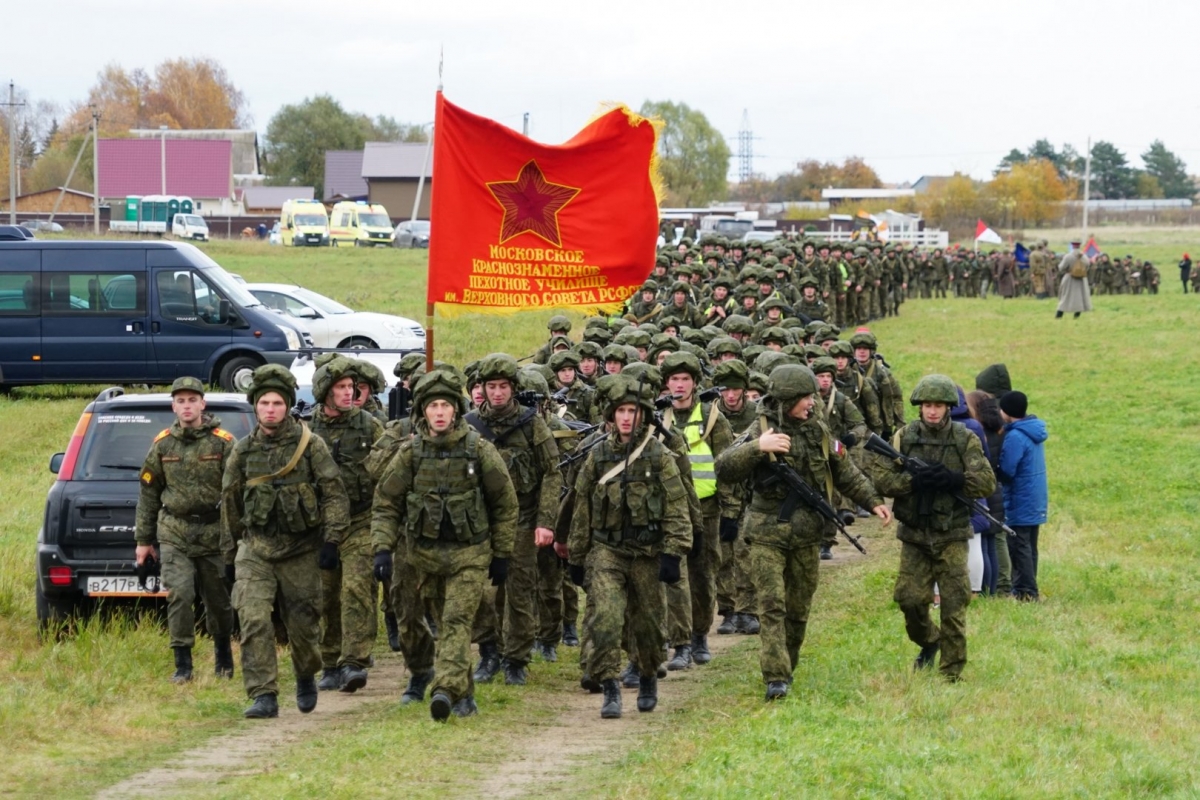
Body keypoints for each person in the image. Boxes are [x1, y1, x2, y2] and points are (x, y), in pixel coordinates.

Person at [715, 365, 891, 700]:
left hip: (808, 534)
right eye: (805, 398)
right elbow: (724, 467)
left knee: (798, 609)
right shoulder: (760, 428)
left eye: (813, 396)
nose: (811, 403)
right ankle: (775, 677)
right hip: (767, 534)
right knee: (772, 605)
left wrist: (872, 500)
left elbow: (843, 469)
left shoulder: (818, 430)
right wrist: (757, 447)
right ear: (787, 400)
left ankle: (788, 665)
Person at [372, 370, 518, 720]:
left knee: (455, 622)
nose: (439, 413)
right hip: (423, 555)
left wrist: (502, 553)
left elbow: (505, 504)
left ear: (456, 410)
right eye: (433, 406)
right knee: (427, 618)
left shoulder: (479, 451)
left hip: (470, 553)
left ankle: (444, 690)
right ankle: (460, 691)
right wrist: (381, 548)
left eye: (445, 406)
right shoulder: (410, 454)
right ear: (423, 412)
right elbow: (386, 503)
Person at [222, 365, 350, 719]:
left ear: (288, 406)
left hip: (302, 550)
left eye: (278, 402)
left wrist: (332, 541)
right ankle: (264, 694)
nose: (270, 409)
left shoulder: (311, 446)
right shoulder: (243, 452)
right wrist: (229, 555)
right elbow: (230, 503)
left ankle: (306, 673)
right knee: (253, 619)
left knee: (304, 625)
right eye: (264, 402)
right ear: (255, 407)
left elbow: (334, 495)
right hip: (256, 549)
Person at [567, 374, 692, 719]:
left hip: (648, 554)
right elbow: (582, 509)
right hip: (608, 552)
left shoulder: (658, 456)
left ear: (643, 415)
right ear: (611, 416)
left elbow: (677, 506)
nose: (626, 418)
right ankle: (609, 687)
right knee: (604, 620)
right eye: (620, 411)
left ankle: (649, 674)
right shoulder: (599, 456)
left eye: (633, 411)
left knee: (649, 625)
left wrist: (673, 552)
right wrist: (577, 556)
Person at [868, 375, 996, 682]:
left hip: (951, 533)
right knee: (909, 600)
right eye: (927, 405)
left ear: (949, 407)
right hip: (914, 535)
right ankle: (929, 641)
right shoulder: (904, 437)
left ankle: (951, 672)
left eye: (939, 405)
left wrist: (954, 480)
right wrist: (913, 482)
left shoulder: (965, 438)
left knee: (954, 603)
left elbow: (987, 482)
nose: (933, 411)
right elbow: (882, 479)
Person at [467, 354, 562, 686]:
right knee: (480, 591)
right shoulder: (468, 425)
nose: (496, 393)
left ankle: (516, 658)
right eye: (490, 386)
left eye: (502, 386)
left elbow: (552, 474)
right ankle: (488, 651)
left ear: (513, 388)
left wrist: (546, 521)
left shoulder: (532, 424)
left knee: (519, 590)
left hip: (523, 520)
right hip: (480, 523)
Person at [135, 376, 236, 683]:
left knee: (218, 600)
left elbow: (236, 494)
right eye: (181, 401)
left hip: (212, 532)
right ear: (174, 406)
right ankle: (183, 665)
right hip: (174, 530)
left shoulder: (223, 442)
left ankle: (223, 658)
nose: (187, 406)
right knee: (179, 593)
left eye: (192, 400)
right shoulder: (163, 444)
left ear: (203, 404)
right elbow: (149, 494)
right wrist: (144, 541)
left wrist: (236, 537)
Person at [309, 357, 384, 693]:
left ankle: (353, 661)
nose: (347, 393)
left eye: (350, 387)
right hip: (322, 525)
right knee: (326, 594)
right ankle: (328, 661)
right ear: (325, 392)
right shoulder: (306, 431)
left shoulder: (369, 425)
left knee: (355, 587)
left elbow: (389, 471)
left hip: (361, 520)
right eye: (339, 387)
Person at [659, 352, 738, 669]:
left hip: (707, 510)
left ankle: (699, 636)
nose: (679, 385)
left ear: (694, 383)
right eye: (674, 379)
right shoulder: (657, 417)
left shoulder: (713, 418)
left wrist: (731, 512)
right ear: (666, 383)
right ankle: (680, 643)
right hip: (670, 511)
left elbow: (728, 466)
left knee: (703, 575)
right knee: (672, 576)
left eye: (685, 379)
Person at [997, 391, 1049, 602]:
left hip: (1019, 498)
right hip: (1034, 498)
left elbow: (1008, 470)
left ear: (1006, 412)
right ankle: (1028, 587)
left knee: (1019, 547)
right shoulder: (1033, 431)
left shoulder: (1015, 436)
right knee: (1029, 546)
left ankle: (1026, 592)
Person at [1056, 249, 1093, 319]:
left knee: (1065, 296)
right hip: (1081, 279)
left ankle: (1059, 315)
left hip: (1069, 278)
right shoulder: (1085, 257)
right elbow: (1087, 266)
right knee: (1080, 298)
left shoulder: (1068, 257)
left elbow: (1061, 267)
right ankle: (1076, 316)